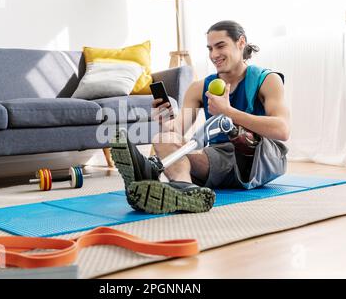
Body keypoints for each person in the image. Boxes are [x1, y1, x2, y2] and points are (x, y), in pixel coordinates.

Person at [111, 20, 290, 214]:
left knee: (236, 136)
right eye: (210, 48)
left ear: (241, 43)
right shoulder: (199, 88)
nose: (214, 55)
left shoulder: (266, 79)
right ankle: (186, 189)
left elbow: (282, 130)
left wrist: (228, 112)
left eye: (220, 46)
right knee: (163, 139)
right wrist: (166, 122)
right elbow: (177, 131)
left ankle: (150, 172)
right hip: (218, 158)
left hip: (259, 157)